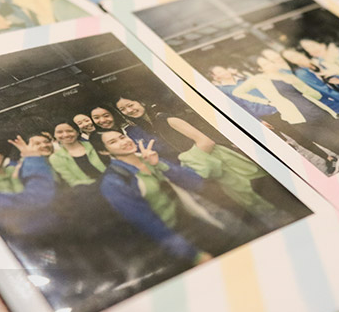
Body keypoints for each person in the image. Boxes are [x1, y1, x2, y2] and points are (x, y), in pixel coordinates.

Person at [115, 94, 287, 225]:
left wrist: (188, 161)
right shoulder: (149, 126)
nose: (129, 110)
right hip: (209, 164)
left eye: (130, 105)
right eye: (124, 110)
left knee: (265, 193)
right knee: (251, 202)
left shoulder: (165, 118)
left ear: (140, 102)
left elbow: (205, 141)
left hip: (220, 159)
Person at [93, 129, 230, 265]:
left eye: (122, 137)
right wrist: (193, 255)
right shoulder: (113, 182)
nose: (123, 142)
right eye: (113, 142)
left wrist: (158, 163)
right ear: (104, 151)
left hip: (202, 216)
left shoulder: (148, 157)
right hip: (179, 236)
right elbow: (147, 222)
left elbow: (195, 183)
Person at [48, 121, 107, 187]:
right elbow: (73, 181)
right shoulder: (56, 158)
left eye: (69, 131)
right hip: (89, 190)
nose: (65, 135)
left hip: (113, 180)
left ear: (77, 132)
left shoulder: (94, 145)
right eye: (59, 132)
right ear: (54, 135)